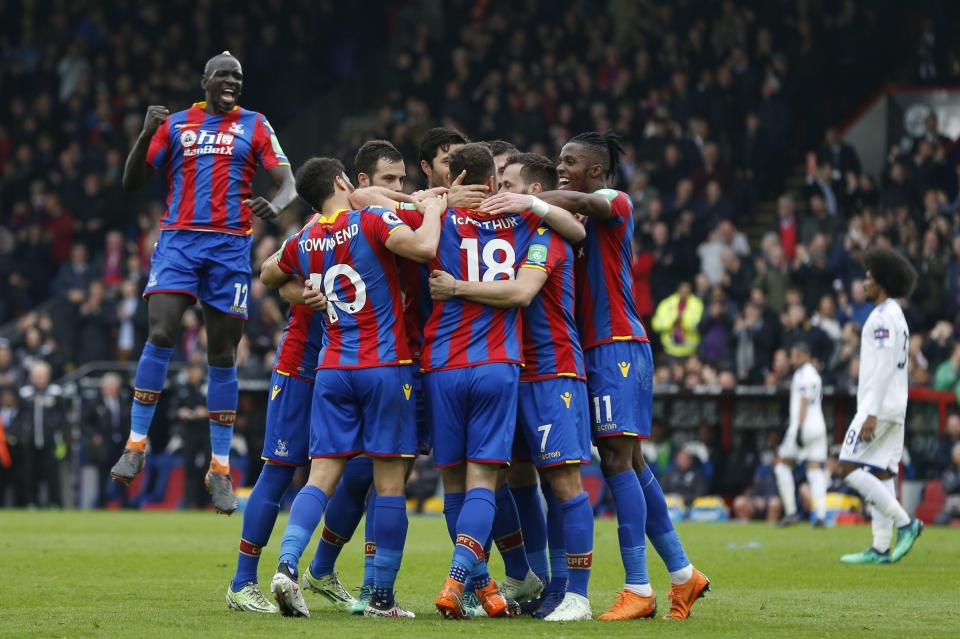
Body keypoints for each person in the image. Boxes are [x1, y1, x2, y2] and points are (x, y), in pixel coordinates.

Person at [109, 51, 297, 515]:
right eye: (224, 75)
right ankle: (136, 444)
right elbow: (131, 180)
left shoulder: (254, 123)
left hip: (230, 250)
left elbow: (288, 182)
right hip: (178, 243)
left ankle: (219, 467)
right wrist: (145, 133)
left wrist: (276, 204)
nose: (233, 81)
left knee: (220, 354)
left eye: (238, 75)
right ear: (205, 81)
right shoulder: (174, 124)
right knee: (160, 332)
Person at [261, 156, 447, 618]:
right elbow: (424, 249)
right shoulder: (369, 219)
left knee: (321, 476)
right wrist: (434, 210)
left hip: (331, 370)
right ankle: (380, 598)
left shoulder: (304, 237)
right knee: (388, 486)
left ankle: (286, 566)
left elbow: (268, 273)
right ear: (345, 182)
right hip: (385, 365)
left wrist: (303, 289)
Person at [540, 131, 708, 621]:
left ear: (596, 170)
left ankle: (638, 586)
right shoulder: (573, 219)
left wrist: (525, 199)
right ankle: (682, 573)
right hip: (598, 348)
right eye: (559, 159)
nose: (561, 166)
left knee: (615, 459)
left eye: (570, 161)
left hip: (616, 346)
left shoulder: (615, 201)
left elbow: (580, 199)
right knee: (630, 462)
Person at [429, 152, 593, 621]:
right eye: (497, 182)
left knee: (561, 479)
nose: (501, 191)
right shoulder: (504, 227)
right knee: (506, 479)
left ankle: (573, 592)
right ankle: (526, 578)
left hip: (549, 370)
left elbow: (525, 290)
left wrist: (455, 285)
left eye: (511, 184)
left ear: (532, 193)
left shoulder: (543, 230)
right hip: (508, 369)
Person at [836, 248, 924, 564]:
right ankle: (881, 547)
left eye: (869, 277)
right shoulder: (895, 313)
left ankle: (907, 523)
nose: (864, 282)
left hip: (879, 407)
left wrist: (870, 411)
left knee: (847, 466)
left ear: (882, 283)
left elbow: (886, 364)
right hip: (895, 405)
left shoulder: (882, 317)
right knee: (884, 473)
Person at [774, 343, 828, 527]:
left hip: (804, 426)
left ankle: (790, 513)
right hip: (819, 426)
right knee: (815, 469)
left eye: (795, 355)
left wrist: (799, 428)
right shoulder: (815, 373)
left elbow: (804, 400)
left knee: (782, 466)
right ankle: (820, 515)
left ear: (804, 355)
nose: (792, 359)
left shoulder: (803, 373)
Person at [12, 361, 67, 508]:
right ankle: (31, 502)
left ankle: (55, 502)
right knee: (30, 473)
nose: (40, 379)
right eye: (37, 375)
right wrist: (20, 434)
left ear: (48, 376)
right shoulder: (25, 393)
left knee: (52, 474)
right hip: (30, 441)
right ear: (31, 377)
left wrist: (61, 434)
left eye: (42, 375)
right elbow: (18, 416)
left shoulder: (56, 392)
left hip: (51, 441)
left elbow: (63, 417)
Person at [81, 373, 129, 508]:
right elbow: (85, 423)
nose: (112, 390)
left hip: (120, 445)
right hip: (103, 446)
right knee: (102, 478)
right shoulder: (95, 403)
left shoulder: (123, 401)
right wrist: (94, 435)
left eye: (115, 387)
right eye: (110, 387)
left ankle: (124, 505)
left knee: (123, 477)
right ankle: (102, 505)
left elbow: (127, 422)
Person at [651, 281, 704, 360]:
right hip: (669, 350)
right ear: (678, 288)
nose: (685, 290)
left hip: (690, 352)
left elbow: (698, 324)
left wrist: (683, 320)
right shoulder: (666, 303)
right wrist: (672, 321)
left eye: (687, 288)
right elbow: (655, 325)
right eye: (683, 287)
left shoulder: (697, 304)